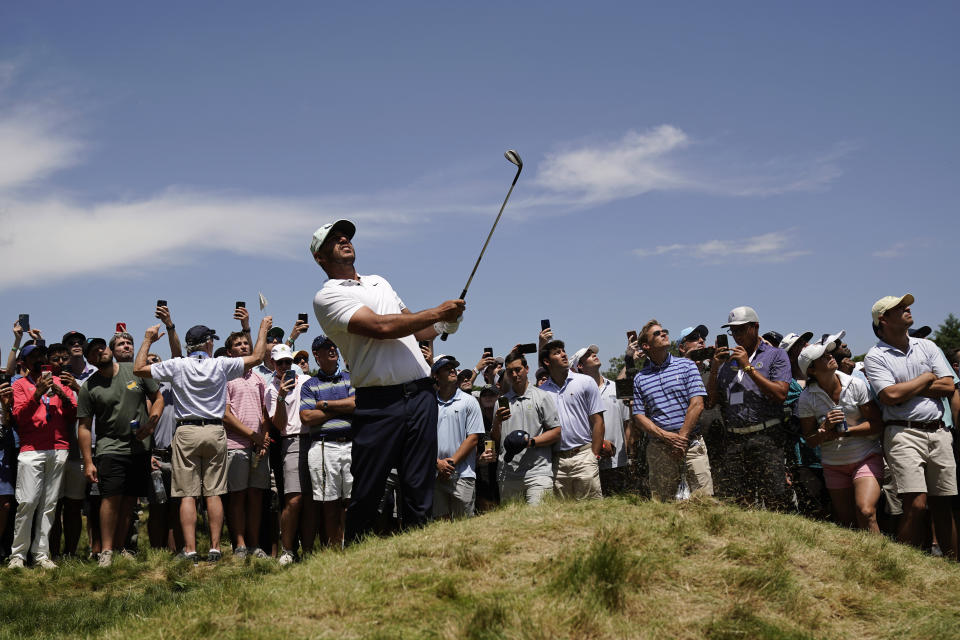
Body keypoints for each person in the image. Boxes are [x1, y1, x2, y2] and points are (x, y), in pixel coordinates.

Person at [310, 219, 464, 542]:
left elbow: (413, 327)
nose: (343, 239)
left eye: (346, 236)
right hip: (379, 403)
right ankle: (354, 557)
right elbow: (380, 327)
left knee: (419, 485)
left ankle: (417, 552)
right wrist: (437, 312)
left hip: (421, 395)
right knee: (368, 488)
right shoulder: (327, 297)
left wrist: (444, 324)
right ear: (320, 258)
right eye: (334, 239)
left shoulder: (380, 282)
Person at [133, 317, 272, 563]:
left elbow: (139, 369)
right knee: (214, 493)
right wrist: (261, 330)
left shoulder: (178, 365)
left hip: (186, 430)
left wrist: (147, 339)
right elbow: (258, 358)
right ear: (208, 344)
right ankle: (216, 549)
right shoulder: (220, 364)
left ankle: (190, 550)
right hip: (214, 430)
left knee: (187, 494)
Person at [863, 294, 957, 556]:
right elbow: (889, 396)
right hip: (903, 432)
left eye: (906, 305)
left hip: (939, 430)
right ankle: (905, 563)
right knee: (915, 505)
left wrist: (906, 387)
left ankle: (952, 567)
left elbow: (948, 385)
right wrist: (927, 378)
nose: (907, 309)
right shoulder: (875, 356)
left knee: (943, 505)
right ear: (883, 319)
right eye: (900, 308)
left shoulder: (927, 346)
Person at [77, 337, 163, 567]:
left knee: (129, 501)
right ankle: (105, 550)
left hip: (140, 449)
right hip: (110, 448)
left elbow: (158, 398)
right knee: (110, 499)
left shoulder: (134, 370)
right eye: (93, 351)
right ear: (90, 360)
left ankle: (119, 547)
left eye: (101, 347)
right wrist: (88, 462)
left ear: (108, 350)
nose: (99, 351)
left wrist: (152, 423)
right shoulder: (89, 386)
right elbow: (84, 427)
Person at [706, 306, 793, 510]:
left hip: (766, 436)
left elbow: (780, 394)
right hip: (735, 440)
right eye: (732, 331)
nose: (736, 336)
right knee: (739, 501)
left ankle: (780, 540)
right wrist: (714, 369)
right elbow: (710, 402)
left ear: (755, 327)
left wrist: (748, 367)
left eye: (741, 329)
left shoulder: (776, 355)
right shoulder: (727, 363)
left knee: (774, 498)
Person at [797, 337, 884, 532]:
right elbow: (810, 441)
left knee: (866, 512)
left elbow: (877, 424)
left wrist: (847, 432)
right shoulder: (806, 397)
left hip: (865, 457)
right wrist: (824, 429)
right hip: (834, 465)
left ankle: (881, 560)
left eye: (828, 352)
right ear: (811, 370)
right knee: (848, 524)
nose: (829, 355)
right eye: (822, 356)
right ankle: (859, 561)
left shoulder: (855, 384)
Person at [9, 344, 75, 569]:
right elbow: (19, 417)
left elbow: (74, 412)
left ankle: (41, 555)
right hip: (31, 449)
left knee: (49, 504)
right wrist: (37, 393)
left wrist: (63, 397)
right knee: (27, 502)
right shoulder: (19, 385)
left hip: (58, 447)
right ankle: (18, 555)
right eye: (32, 356)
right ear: (24, 363)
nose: (37, 359)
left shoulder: (58, 382)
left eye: (40, 355)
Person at [632, 321, 711, 501]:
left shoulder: (686, 366)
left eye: (664, 331)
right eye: (657, 333)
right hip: (659, 449)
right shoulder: (639, 378)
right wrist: (667, 437)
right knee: (663, 506)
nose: (664, 334)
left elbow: (697, 404)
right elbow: (638, 416)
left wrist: (681, 439)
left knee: (703, 503)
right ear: (646, 345)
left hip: (691, 445)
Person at [300, 335, 356, 548]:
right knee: (330, 501)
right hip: (324, 446)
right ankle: (334, 548)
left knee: (351, 499)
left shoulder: (350, 378)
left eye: (334, 345)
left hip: (351, 444)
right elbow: (306, 417)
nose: (333, 349)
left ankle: (350, 545)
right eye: (326, 347)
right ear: (316, 354)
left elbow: (356, 404)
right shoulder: (310, 384)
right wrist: (340, 408)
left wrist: (324, 405)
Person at [487, 351, 561, 505]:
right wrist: (497, 422)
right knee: (513, 526)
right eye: (510, 371)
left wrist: (530, 442)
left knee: (538, 522)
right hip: (507, 474)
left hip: (537, 473)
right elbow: (495, 439)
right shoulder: (501, 402)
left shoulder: (542, 397)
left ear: (527, 369)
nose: (514, 374)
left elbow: (556, 432)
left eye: (518, 369)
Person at [223, 331, 271, 560]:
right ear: (230, 352)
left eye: (245, 343)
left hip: (258, 448)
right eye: (238, 344)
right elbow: (226, 415)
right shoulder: (226, 377)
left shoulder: (258, 379)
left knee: (255, 498)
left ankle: (254, 544)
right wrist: (254, 436)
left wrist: (264, 438)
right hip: (235, 445)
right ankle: (239, 545)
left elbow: (265, 412)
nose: (243, 347)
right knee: (237, 497)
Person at [539, 340, 606, 499]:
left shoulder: (585, 382)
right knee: (563, 518)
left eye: (563, 350)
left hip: (584, 456)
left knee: (592, 512)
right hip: (557, 462)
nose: (563, 354)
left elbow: (598, 422)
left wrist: (594, 456)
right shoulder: (541, 392)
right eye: (557, 352)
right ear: (547, 362)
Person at [265, 343, 313, 565]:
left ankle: (311, 549)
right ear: (273, 364)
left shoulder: (305, 380)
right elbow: (279, 424)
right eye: (280, 362)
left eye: (288, 362)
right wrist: (282, 396)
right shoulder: (271, 389)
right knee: (293, 499)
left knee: (311, 500)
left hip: (313, 439)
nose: (285, 366)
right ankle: (288, 549)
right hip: (290, 440)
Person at [570, 345, 632, 495]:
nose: (594, 355)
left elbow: (627, 423)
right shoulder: (576, 394)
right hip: (589, 463)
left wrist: (629, 454)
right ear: (580, 366)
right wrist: (600, 445)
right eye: (588, 355)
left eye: (593, 353)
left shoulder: (616, 387)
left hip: (619, 462)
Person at [430, 355, 484, 519]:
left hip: (462, 474)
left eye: (453, 367)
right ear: (436, 376)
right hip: (435, 474)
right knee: (440, 527)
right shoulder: (429, 402)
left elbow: (473, 437)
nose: (452, 370)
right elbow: (423, 438)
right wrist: (437, 463)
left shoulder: (469, 401)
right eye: (447, 368)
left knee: (464, 527)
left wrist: (450, 463)